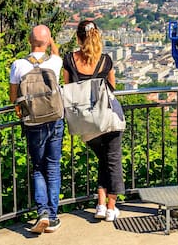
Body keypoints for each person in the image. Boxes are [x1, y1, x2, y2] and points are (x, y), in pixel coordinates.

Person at [62, 20, 124, 222]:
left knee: (104, 160)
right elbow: (112, 86)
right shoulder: (105, 60)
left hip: (86, 125)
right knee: (112, 161)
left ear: (78, 38)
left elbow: (68, 87)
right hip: (108, 119)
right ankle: (111, 207)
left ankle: (100, 203)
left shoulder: (70, 59)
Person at [9, 25, 64, 234]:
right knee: (53, 167)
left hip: (33, 122)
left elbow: (13, 98)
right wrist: (52, 44)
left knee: (38, 167)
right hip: (55, 119)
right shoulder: (55, 62)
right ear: (48, 41)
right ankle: (53, 216)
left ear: (29, 41)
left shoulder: (18, 65)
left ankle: (42, 213)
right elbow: (57, 55)